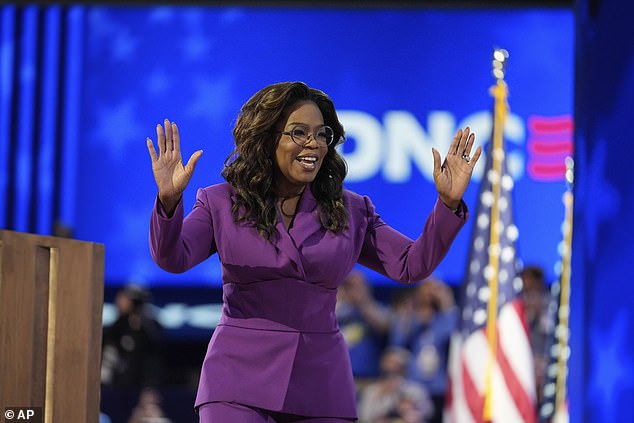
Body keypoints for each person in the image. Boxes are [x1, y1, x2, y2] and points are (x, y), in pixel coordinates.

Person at [146, 81, 481, 422]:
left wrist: (448, 204)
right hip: (237, 378)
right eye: (299, 132)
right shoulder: (220, 202)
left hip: (320, 383)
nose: (314, 145)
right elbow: (173, 257)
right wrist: (169, 202)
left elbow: (411, 265)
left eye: (322, 135)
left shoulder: (351, 210)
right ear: (266, 137)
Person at [387, 278, 458, 423]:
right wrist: (408, 317)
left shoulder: (443, 320)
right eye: (424, 289)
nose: (429, 293)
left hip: (439, 388)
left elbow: (454, 335)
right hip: (413, 388)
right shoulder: (409, 319)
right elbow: (395, 347)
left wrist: (446, 303)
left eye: (433, 290)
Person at [101, 284, 165, 389]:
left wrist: (150, 387)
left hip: (142, 385)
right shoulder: (117, 326)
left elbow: (154, 356)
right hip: (116, 385)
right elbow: (110, 353)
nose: (119, 302)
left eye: (124, 298)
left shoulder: (150, 326)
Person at [336, 270, 391, 380]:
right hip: (338, 376)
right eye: (350, 286)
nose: (355, 291)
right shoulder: (341, 310)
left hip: (367, 378)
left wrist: (362, 302)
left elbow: (383, 326)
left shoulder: (380, 308)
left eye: (359, 286)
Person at [357, 346, 433, 423]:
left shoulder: (416, 390)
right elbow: (364, 417)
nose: (391, 367)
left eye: (396, 365)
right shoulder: (371, 391)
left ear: (404, 368)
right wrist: (381, 396)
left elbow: (428, 413)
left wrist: (411, 409)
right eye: (388, 363)